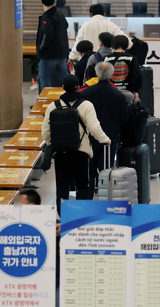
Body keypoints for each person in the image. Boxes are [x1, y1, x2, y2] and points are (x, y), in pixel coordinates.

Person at [42, 75, 111, 210]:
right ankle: (80, 215)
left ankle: (64, 217)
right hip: (81, 152)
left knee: (62, 187)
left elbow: (45, 132)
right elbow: (94, 127)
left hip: (60, 153)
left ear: (63, 88)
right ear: (78, 88)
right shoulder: (86, 105)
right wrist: (105, 140)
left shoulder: (53, 106)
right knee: (83, 185)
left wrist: (54, 143)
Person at [81, 62, 128, 194]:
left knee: (90, 168)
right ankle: (105, 196)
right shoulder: (118, 95)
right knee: (106, 170)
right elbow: (124, 118)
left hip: (90, 137)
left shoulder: (86, 93)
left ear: (96, 74)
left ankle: (88, 196)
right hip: (110, 137)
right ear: (111, 74)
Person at [36, 0, 70, 91]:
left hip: (48, 55)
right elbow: (66, 25)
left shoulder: (47, 17)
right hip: (61, 53)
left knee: (44, 77)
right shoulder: (59, 13)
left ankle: (44, 100)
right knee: (65, 76)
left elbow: (47, 35)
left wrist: (41, 48)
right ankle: (74, 94)